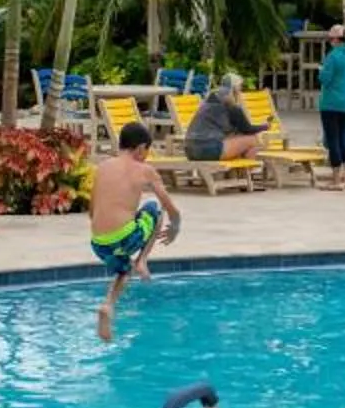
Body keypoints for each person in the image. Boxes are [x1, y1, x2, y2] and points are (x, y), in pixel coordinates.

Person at [88, 122, 181, 340]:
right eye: (147, 151)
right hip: (125, 237)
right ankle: (142, 261)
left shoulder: (102, 167)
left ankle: (108, 305)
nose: (147, 157)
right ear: (140, 149)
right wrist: (175, 227)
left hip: (98, 243)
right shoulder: (145, 170)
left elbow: (92, 211)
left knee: (123, 270)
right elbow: (170, 208)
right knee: (154, 209)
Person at [315, 23, 345, 191]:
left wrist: (321, 71)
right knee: (342, 139)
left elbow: (325, 79)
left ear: (336, 40)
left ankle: (336, 179)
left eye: (330, 39)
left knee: (333, 140)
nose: (330, 42)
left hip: (331, 103)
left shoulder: (333, 56)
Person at [182, 71, 265, 165]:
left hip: (190, 150)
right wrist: (265, 126)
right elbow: (247, 129)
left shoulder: (208, 102)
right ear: (235, 89)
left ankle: (239, 171)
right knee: (253, 139)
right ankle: (249, 169)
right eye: (240, 87)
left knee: (237, 140)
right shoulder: (231, 106)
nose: (241, 90)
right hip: (208, 150)